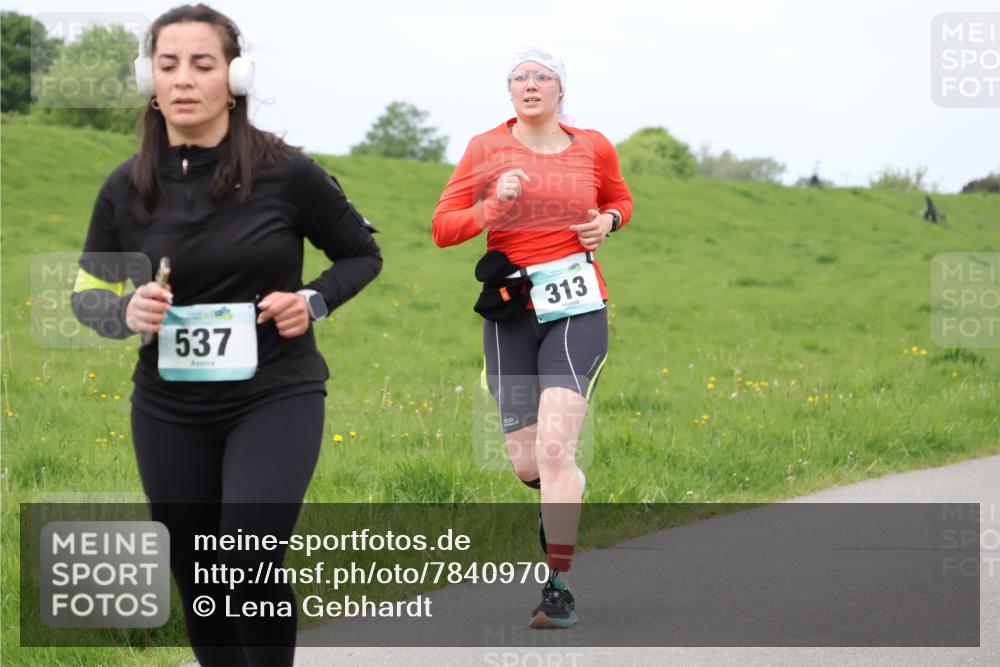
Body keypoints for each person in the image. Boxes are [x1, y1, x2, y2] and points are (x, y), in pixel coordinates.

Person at [71, 5, 381, 665]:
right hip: (167, 406)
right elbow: (87, 297)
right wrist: (123, 312)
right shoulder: (124, 188)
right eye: (167, 63)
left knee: (244, 554)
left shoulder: (288, 172)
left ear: (235, 76)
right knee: (199, 572)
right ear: (147, 78)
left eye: (202, 64)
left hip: (274, 393)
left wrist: (313, 300)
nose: (183, 79)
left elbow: (362, 254)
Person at [432, 46, 633, 629]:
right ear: (509, 91)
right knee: (527, 462)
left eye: (543, 76)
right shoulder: (485, 148)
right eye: (519, 77)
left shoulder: (593, 145)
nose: (530, 84)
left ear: (560, 90)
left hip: (577, 307)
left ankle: (559, 586)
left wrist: (609, 222)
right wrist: (494, 205)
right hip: (511, 312)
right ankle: (559, 491)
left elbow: (619, 199)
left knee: (554, 448)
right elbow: (444, 228)